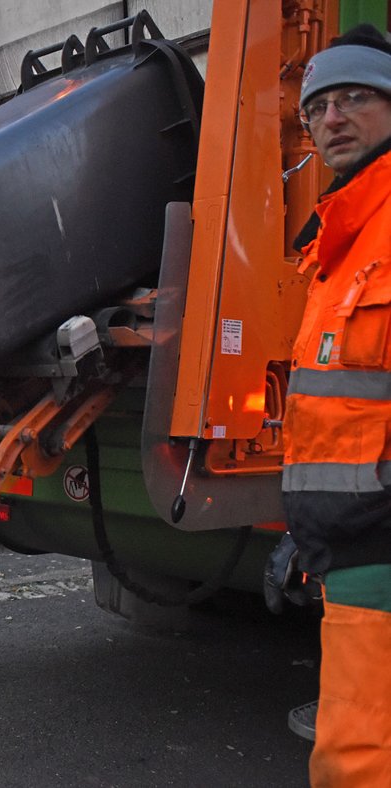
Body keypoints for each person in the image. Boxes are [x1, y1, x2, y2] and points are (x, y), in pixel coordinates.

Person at [278, 23, 391, 787]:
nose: (333, 119)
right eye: (319, 107)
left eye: (356, 98)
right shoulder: (332, 247)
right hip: (347, 553)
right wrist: (304, 534)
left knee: (359, 759)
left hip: (379, 549)